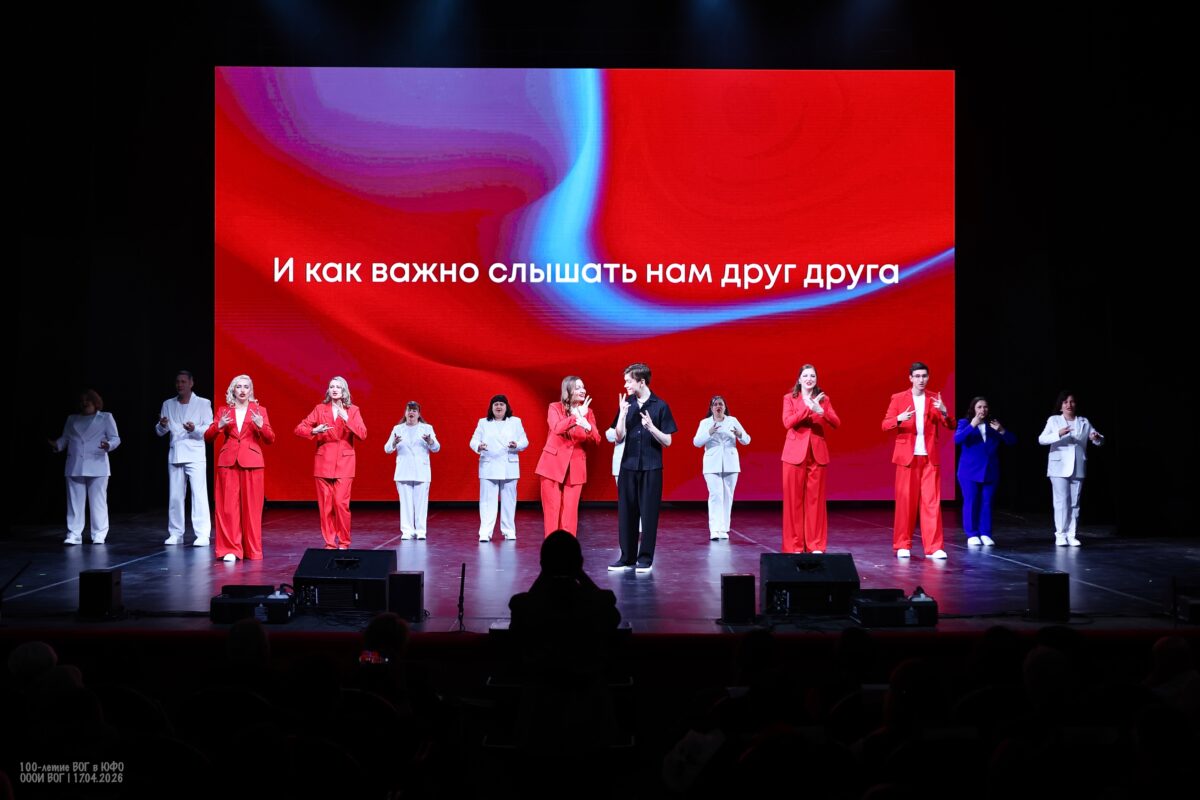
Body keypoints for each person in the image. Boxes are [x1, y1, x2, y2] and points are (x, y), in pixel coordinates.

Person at [881, 362, 954, 559]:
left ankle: (934, 547)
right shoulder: (898, 398)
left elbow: (950, 425)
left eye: (924, 376)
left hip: (929, 457)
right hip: (907, 457)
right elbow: (885, 424)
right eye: (918, 376)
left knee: (931, 502)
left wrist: (944, 411)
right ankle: (902, 544)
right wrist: (899, 418)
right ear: (911, 378)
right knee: (905, 502)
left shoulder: (934, 398)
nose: (921, 380)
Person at [610, 363, 677, 573]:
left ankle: (645, 559)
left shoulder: (660, 406)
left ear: (641, 382)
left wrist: (651, 428)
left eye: (628, 381)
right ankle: (626, 558)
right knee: (626, 513)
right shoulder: (627, 404)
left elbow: (668, 441)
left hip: (651, 467)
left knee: (648, 515)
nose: (625, 385)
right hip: (628, 466)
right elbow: (618, 437)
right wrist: (622, 415)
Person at [205, 375, 275, 561]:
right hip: (228, 462)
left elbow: (270, 439)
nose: (242, 390)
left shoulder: (259, 411)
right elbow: (208, 437)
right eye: (239, 387)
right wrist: (219, 426)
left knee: (252, 509)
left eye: (246, 387)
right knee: (228, 508)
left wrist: (261, 426)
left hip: (252, 462)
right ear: (233, 390)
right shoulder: (224, 411)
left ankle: (252, 550)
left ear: (250, 390)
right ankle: (230, 549)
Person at [295, 376, 367, 550]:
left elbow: (363, 434)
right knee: (326, 506)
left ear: (344, 391)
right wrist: (314, 430)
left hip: (345, 463)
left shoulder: (352, 410)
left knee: (341, 504)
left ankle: (344, 542)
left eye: (338, 387)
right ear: (328, 390)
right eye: (332, 387)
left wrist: (347, 418)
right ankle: (329, 543)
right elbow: (299, 428)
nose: (335, 390)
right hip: (324, 462)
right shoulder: (320, 409)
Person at [781, 365, 840, 553]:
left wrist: (821, 410)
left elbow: (836, 423)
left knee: (816, 501)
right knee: (793, 501)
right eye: (805, 375)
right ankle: (794, 545)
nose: (809, 379)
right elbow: (788, 422)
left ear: (816, 379)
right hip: (794, 454)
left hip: (817, 454)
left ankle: (815, 545)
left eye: (812, 376)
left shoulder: (824, 399)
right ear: (799, 379)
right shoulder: (790, 398)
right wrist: (808, 408)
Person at [49, 389, 120, 545]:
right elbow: (65, 438)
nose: (84, 403)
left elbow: (115, 438)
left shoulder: (105, 417)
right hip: (75, 464)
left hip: (97, 464)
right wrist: (57, 445)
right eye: (82, 400)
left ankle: (99, 534)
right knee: (74, 503)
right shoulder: (72, 419)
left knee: (98, 502)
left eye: (88, 400)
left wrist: (109, 445)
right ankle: (74, 534)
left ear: (95, 402)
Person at [535, 376, 600, 536]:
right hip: (552, 465)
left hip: (576, 466)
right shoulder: (555, 407)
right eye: (578, 388)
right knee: (552, 510)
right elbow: (557, 428)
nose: (583, 390)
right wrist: (576, 417)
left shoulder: (588, 412)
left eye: (583, 387)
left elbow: (597, 439)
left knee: (570, 512)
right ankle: (552, 545)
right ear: (568, 390)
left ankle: (567, 546)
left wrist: (588, 426)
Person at [1037, 391, 1103, 547]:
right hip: (1059, 466)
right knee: (1061, 501)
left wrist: (1096, 438)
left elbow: (1099, 439)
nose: (1069, 405)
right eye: (1065, 402)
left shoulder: (1084, 421)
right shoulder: (1054, 420)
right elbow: (1041, 439)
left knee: (1074, 502)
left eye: (1071, 401)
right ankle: (1060, 534)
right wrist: (1058, 434)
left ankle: (1071, 534)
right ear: (1061, 406)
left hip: (1078, 466)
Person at [156, 370, 213, 546]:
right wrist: (162, 425)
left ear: (191, 383)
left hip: (195, 453)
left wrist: (194, 429)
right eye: (177, 382)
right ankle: (175, 533)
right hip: (176, 454)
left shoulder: (203, 403)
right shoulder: (168, 404)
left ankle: (202, 534)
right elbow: (160, 431)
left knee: (199, 495)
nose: (180, 385)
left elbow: (209, 428)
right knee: (175, 496)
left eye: (183, 381)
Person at [955, 396, 1016, 546]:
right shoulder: (965, 422)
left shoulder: (992, 424)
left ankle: (985, 533)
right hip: (969, 471)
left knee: (987, 502)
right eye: (979, 407)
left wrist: (1001, 430)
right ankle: (972, 533)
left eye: (985, 407)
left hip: (990, 470)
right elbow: (957, 439)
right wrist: (972, 425)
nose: (983, 410)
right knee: (971, 501)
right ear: (973, 409)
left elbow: (1012, 441)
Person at [470, 394, 529, 542]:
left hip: (509, 465)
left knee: (509, 501)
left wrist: (517, 445)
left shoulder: (515, 422)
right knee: (487, 502)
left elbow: (524, 441)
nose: (498, 406)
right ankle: (485, 532)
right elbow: (473, 440)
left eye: (501, 404)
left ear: (506, 407)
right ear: (491, 407)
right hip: (489, 465)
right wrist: (479, 446)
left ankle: (509, 531)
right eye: (495, 404)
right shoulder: (483, 422)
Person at [693, 395, 752, 541]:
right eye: (715, 404)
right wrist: (709, 432)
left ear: (725, 407)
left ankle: (724, 528)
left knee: (727, 496)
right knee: (715, 495)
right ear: (711, 408)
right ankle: (714, 529)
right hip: (712, 463)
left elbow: (747, 440)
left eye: (721, 404)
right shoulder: (705, 423)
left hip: (730, 462)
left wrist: (740, 434)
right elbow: (697, 442)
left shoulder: (733, 421)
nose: (718, 406)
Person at [385, 401, 440, 540]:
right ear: (405, 413)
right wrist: (394, 443)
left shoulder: (427, 428)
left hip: (421, 471)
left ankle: (421, 531)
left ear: (419, 414)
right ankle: (407, 531)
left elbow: (436, 448)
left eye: (414, 410)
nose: (411, 412)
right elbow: (387, 449)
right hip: (403, 471)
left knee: (421, 503)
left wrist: (430, 441)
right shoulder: (398, 429)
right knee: (405, 503)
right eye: (409, 410)